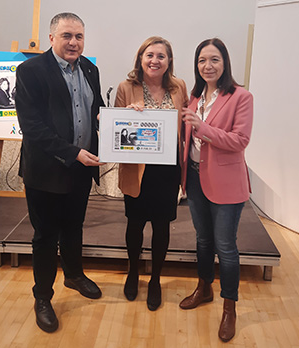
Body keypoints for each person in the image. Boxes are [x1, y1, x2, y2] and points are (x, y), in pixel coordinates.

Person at [15, 12, 105, 333]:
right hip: (46, 171)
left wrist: (118, 125)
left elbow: (98, 112)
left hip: (80, 170)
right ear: (51, 38)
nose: (74, 42)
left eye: (79, 36)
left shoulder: (90, 69)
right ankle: (43, 297)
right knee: (45, 236)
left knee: (73, 227)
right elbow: (33, 128)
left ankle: (74, 275)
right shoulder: (31, 71)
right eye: (67, 36)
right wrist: (73, 153)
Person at [179, 38, 253, 342]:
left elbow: (240, 141)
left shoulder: (241, 96)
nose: (207, 66)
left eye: (214, 60)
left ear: (225, 63)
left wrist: (202, 128)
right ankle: (204, 288)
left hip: (227, 183)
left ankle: (229, 308)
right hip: (194, 178)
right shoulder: (194, 99)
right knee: (203, 240)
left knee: (226, 248)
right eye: (201, 61)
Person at [115, 36, 188, 311]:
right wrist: (127, 113)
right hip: (137, 169)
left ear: (169, 61)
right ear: (140, 58)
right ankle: (133, 271)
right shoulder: (126, 87)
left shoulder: (179, 87)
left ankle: (155, 278)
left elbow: (187, 122)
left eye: (161, 56)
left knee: (161, 225)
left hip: (168, 170)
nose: (155, 60)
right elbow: (117, 127)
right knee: (134, 224)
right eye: (150, 55)